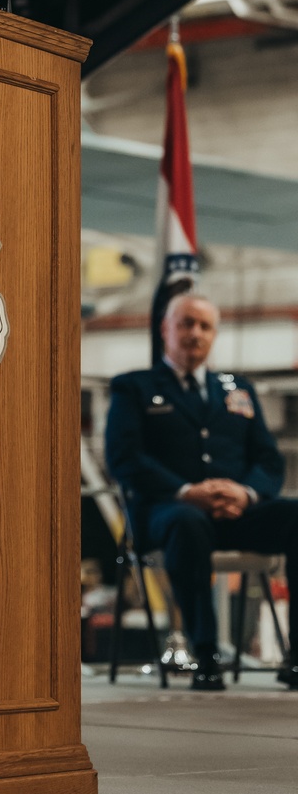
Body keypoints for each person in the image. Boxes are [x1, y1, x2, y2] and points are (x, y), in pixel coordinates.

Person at [106, 292, 298, 691]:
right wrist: (186, 490)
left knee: (293, 515)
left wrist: (246, 494)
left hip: (233, 514)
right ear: (165, 330)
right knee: (187, 522)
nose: (195, 333)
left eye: (204, 326)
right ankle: (206, 654)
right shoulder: (134, 388)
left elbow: (268, 460)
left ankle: (295, 659)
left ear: (214, 334)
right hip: (166, 513)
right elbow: (124, 459)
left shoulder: (237, 390)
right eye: (186, 323)